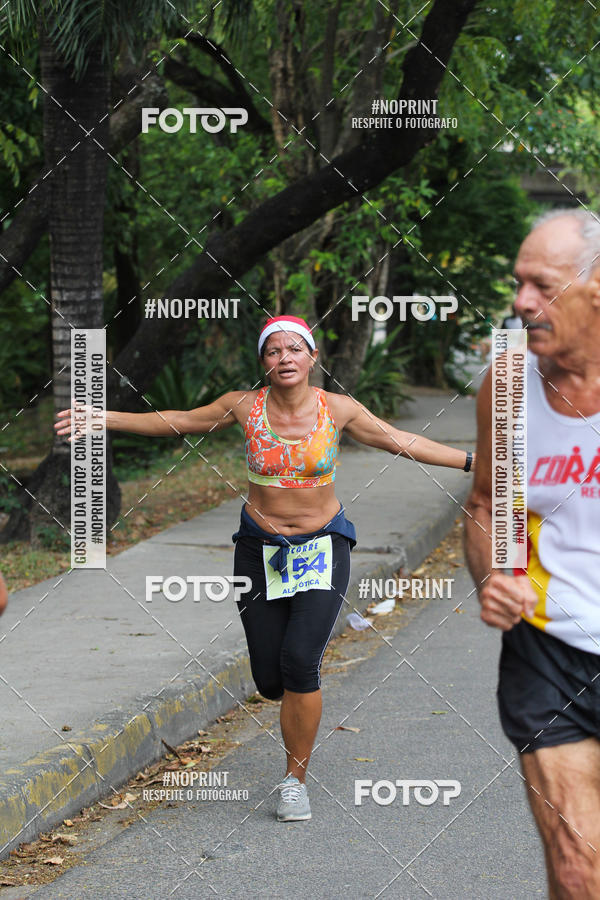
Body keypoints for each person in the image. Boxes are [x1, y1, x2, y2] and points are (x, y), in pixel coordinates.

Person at [56, 314, 475, 822]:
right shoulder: (243, 406)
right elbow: (181, 420)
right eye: (274, 351)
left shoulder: (338, 409)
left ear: (312, 358)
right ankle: (286, 701)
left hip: (322, 546)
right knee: (270, 678)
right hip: (260, 550)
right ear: (264, 362)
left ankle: (293, 781)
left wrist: (473, 463)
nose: (285, 359)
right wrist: (105, 419)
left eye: (295, 349)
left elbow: (401, 440)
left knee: (301, 664)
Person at [465, 209, 600, 898]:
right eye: (518, 284)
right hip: (550, 647)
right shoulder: (510, 383)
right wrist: (496, 573)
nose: (521, 303)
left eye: (542, 286)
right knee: (579, 867)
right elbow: (488, 505)